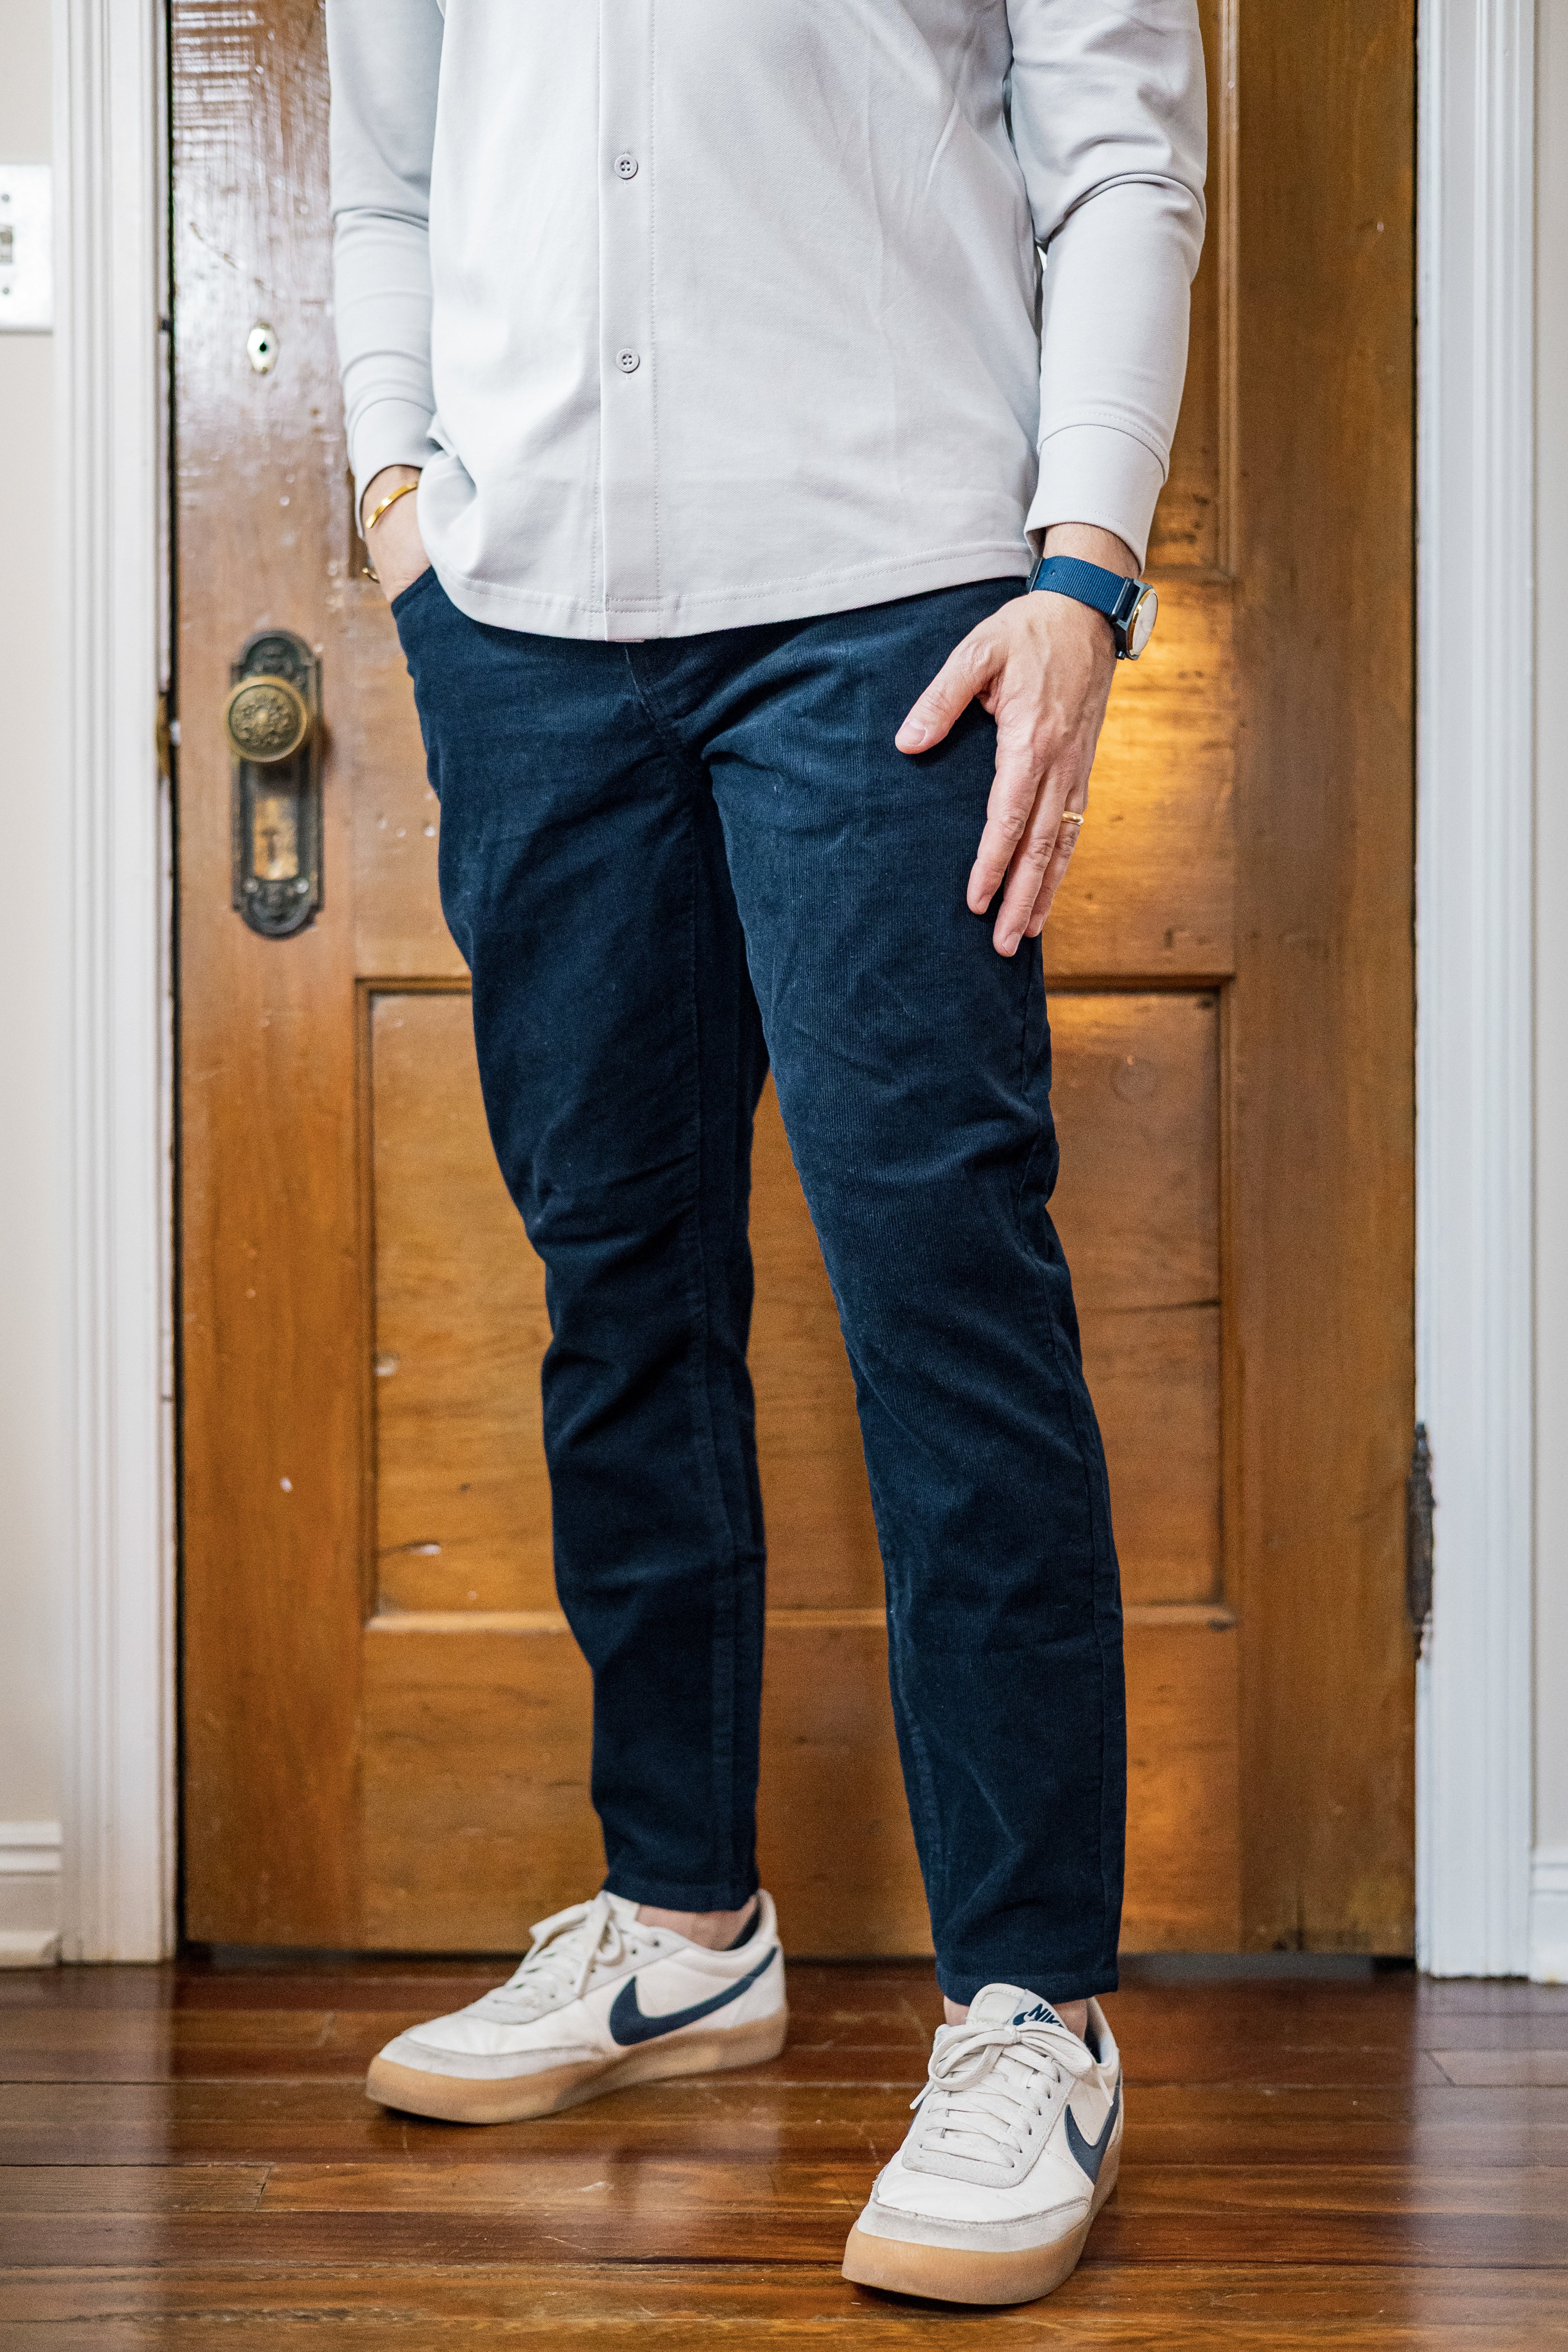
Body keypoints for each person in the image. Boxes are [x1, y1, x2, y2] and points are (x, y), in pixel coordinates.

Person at [327, 0, 1203, 2308]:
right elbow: (386, 180)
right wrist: (404, 515)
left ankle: (1033, 2011)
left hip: (897, 601)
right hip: (530, 628)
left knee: (943, 1299)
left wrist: (1084, 573)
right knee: (617, 1288)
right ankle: (682, 1923)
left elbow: (1120, 144)